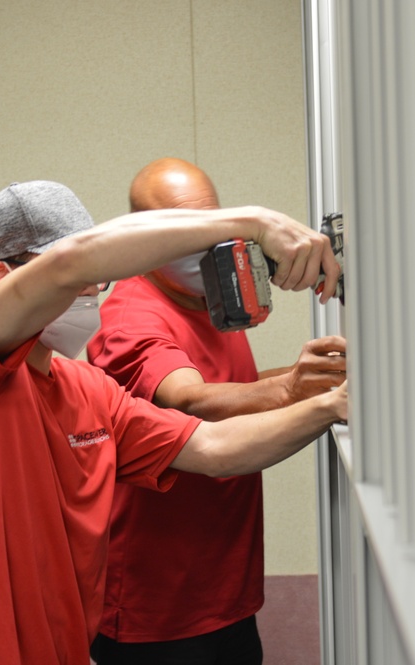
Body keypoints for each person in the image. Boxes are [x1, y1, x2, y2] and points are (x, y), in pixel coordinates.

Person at [0, 179, 346, 665]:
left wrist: (331, 405)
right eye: (76, 283)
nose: (91, 290)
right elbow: (74, 262)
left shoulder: (89, 391)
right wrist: (255, 223)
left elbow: (215, 447)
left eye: (96, 280)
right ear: (3, 277)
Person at [85, 158, 347, 664]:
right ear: (148, 240)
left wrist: (312, 378)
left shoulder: (210, 296)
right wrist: (297, 389)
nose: (206, 245)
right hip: (157, 614)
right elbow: (191, 401)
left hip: (226, 593)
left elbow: (236, 390)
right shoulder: (130, 314)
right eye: (185, 232)